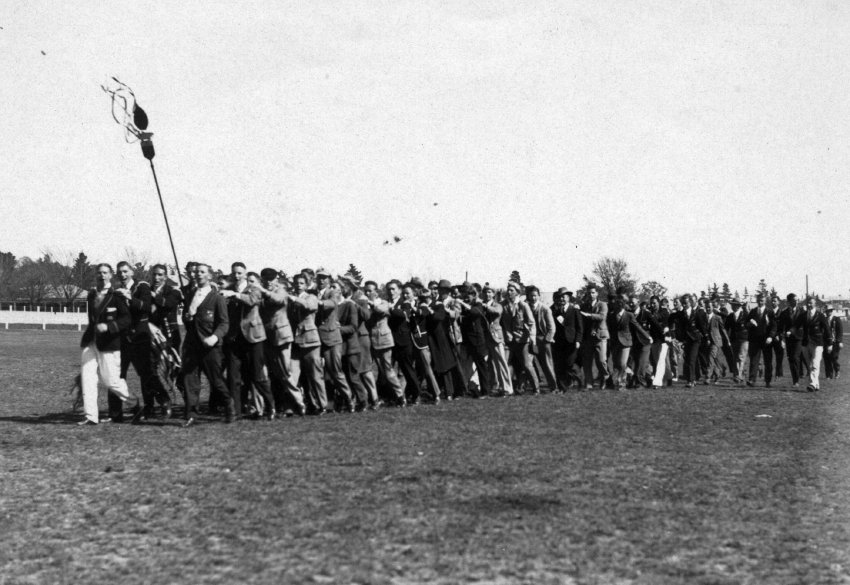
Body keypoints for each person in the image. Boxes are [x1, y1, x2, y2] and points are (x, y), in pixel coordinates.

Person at [114, 260, 171, 422]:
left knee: (146, 374)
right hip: (123, 339)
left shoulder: (142, 287)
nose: (122, 275)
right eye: (120, 272)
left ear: (132, 272)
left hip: (140, 338)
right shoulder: (117, 291)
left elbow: (146, 307)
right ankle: (118, 412)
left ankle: (162, 401)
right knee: (118, 375)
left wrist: (130, 298)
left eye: (125, 271)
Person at [77, 263, 135, 425]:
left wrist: (109, 327)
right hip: (91, 342)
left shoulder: (116, 295)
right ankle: (91, 416)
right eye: (99, 273)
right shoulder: (91, 295)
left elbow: (126, 319)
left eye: (105, 273)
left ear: (110, 275)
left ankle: (134, 404)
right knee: (88, 378)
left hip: (109, 343)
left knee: (111, 381)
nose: (102, 275)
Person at [220, 265, 275, 420]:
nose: (237, 276)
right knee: (233, 376)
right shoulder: (228, 289)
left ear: (245, 274)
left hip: (253, 337)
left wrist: (235, 295)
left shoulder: (253, 288)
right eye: (234, 273)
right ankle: (235, 412)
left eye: (240, 273)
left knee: (257, 375)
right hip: (234, 338)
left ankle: (271, 406)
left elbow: (252, 301)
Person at [181, 263, 230, 426]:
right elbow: (186, 319)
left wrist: (214, 337)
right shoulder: (190, 295)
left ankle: (230, 407)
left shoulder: (217, 298)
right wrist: (187, 318)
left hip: (210, 346)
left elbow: (224, 323)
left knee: (215, 380)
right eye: (197, 272)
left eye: (202, 272)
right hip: (191, 345)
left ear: (209, 276)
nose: (198, 274)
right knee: (190, 380)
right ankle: (191, 415)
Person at [257, 268, 306, 416]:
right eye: (265, 279)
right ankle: (281, 405)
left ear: (276, 279)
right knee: (276, 373)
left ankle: (299, 402)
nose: (268, 282)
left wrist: (262, 290)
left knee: (286, 372)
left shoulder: (281, 290)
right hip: (268, 337)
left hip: (282, 336)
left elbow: (278, 300)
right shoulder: (262, 291)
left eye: (271, 279)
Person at [288, 273, 327, 415]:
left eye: (302, 283)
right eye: (296, 283)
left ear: (306, 285)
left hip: (310, 340)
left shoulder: (311, 297)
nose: (298, 285)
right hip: (295, 341)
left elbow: (309, 306)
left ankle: (322, 405)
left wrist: (294, 298)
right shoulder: (290, 299)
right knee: (292, 375)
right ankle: (296, 406)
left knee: (315, 375)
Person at [315, 275, 355, 412]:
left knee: (336, 371)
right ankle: (327, 405)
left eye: (324, 278)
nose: (321, 280)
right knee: (322, 374)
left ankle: (349, 399)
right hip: (316, 338)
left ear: (328, 281)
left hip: (332, 338)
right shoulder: (313, 293)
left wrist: (320, 303)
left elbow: (332, 303)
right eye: (319, 278)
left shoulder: (333, 292)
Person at [363, 280, 405, 407]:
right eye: (366, 291)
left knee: (388, 370)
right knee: (370, 370)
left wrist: (369, 303)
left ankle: (400, 396)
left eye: (370, 290)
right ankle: (374, 398)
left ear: (376, 292)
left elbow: (380, 310)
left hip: (384, 340)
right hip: (370, 340)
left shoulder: (384, 302)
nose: (367, 293)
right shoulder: (363, 305)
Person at [387, 279, 423, 404]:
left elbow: (402, 315)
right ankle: (394, 396)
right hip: (390, 342)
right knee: (387, 371)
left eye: (393, 289)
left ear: (399, 290)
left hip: (403, 341)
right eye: (389, 289)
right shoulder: (387, 303)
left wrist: (390, 309)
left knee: (407, 370)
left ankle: (416, 394)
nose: (391, 292)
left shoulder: (405, 303)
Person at [425, 280, 463, 400]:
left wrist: (444, 310)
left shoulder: (453, 301)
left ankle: (459, 390)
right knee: (443, 363)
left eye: (442, 290)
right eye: (438, 290)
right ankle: (446, 390)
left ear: (447, 291)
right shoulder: (437, 302)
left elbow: (455, 315)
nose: (439, 292)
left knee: (455, 365)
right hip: (441, 336)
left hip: (453, 336)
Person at [454, 285, 491, 397]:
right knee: (466, 366)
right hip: (467, 341)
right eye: (465, 296)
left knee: (481, 366)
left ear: (474, 295)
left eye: (468, 296)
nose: (466, 298)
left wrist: (462, 303)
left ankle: (485, 391)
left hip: (477, 341)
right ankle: (466, 389)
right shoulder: (467, 306)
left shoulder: (477, 305)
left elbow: (475, 312)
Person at [607, 292, 649, 391]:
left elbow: (637, 326)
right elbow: (610, 328)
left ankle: (622, 383)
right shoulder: (611, 315)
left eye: (620, 305)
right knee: (616, 364)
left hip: (626, 342)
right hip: (614, 342)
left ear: (623, 306)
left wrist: (647, 336)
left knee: (622, 363)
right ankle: (618, 382)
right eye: (616, 305)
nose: (618, 307)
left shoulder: (629, 315)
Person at [502, 281, 539, 394]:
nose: (509, 292)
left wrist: (532, 339)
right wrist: (507, 334)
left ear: (517, 292)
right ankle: (507, 389)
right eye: (508, 290)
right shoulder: (504, 305)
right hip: (509, 340)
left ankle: (536, 388)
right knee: (506, 364)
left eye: (512, 290)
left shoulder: (523, 305)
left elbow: (531, 323)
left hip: (522, 340)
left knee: (527, 365)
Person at [482, 285, 513, 396]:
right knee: (490, 364)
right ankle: (494, 386)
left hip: (496, 337)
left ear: (493, 294)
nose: (487, 294)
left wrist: (485, 307)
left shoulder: (497, 305)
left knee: (501, 363)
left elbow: (497, 312)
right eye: (485, 292)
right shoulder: (481, 304)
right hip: (485, 338)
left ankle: (507, 388)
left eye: (490, 292)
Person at [526, 285, 558, 392]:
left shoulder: (545, 309)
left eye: (535, 295)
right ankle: (534, 388)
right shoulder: (526, 307)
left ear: (539, 296)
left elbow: (552, 328)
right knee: (527, 364)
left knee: (547, 365)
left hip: (542, 339)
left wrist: (547, 340)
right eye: (531, 296)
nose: (533, 298)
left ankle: (553, 387)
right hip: (529, 340)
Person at [551, 289, 583, 391]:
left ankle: (579, 381)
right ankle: (562, 388)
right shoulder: (554, 310)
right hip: (558, 343)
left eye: (564, 297)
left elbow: (580, 327)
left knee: (569, 364)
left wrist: (578, 340)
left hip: (571, 342)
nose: (561, 299)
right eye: (560, 297)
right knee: (559, 365)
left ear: (568, 298)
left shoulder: (574, 310)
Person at [580, 284, 609, 389]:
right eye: (589, 293)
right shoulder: (584, 305)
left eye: (593, 292)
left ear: (597, 293)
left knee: (601, 361)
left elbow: (602, 317)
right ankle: (589, 383)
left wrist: (589, 315)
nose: (591, 295)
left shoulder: (602, 304)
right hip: (588, 337)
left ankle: (604, 378)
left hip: (600, 336)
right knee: (587, 362)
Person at [801, 296, 833, 392]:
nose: (809, 305)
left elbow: (827, 329)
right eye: (808, 303)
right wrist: (791, 331)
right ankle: (816, 384)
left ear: (815, 304)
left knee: (815, 363)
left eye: (811, 303)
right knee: (809, 365)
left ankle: (812, 384)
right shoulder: (803, 315)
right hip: (806, 343)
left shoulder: (820, 315)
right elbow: (796, 325)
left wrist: (830, 343)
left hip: (817, 343)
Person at [745, 293, 777, 388]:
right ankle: (752, 380)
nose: (760, 302)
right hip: (754, 340)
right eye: (758, 300)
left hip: (766, 340)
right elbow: (746, 324)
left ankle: (768, 381)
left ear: (765, 301)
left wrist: (771, 336)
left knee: (768, 361)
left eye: (762, 300)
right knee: (754, 361)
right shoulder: (753, 311)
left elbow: (774, 326)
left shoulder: (770, 312)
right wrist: (749, 323)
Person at [676, 294, 707, 388]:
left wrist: (705, 337)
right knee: (688, 359)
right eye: (683, 303)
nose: (684, 305)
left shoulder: (696, 313)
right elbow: (679, 328)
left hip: (695, 339)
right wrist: (680, 340)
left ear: (690, 302)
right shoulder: (681, 314)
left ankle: (691, 380)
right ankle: (693, 378)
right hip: (686, 340)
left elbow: (701, 327)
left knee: (692, 359)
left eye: (685, 303)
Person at [778, 293, 805, 388]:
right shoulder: (784, 313)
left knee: (795, 357)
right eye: (794, 300)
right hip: (789, 339)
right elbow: (780, 328)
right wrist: (782, 339)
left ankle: (797, 379)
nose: (796, 301)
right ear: (789, 302)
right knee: (791, 359)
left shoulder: (802, 311)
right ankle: (795, 379)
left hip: (799, 338)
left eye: (797, 300)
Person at [725, 297, 749, 384]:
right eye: (732, 305)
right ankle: (739, 375)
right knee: (735, 357)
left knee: (741, 357)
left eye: (735, 305)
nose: (733, 307)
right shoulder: (730, 316)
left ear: (739, 306)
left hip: (744, 338)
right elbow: (726, 328)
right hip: (734, 339)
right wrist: (727, 339)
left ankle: (738, 375)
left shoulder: (745, 315)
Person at [824, 305, 843, 379]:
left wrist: (840, 341)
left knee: (834, 357)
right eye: (827, 311)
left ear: (831, 311)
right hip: (826, 342)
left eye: (829, 311)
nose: (828, 312)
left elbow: (840, 331)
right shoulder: (824, 320)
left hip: (835, 342)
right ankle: (829, 375)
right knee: (826, 358)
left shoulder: (836, 319)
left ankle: (837, 370)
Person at [769, 295, 785, 380]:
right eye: (772, 301)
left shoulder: (782, 313)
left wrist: (780, 337)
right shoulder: (769, 312)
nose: (773, 302)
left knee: (779, 356)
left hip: (779, 337)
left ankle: (778, 373)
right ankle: (770, 374)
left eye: (775, 301)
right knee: (769, 357)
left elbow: (783, 327)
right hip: (770, 337)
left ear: (778, 302)